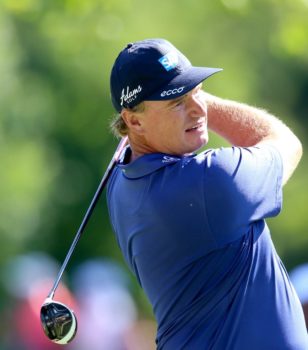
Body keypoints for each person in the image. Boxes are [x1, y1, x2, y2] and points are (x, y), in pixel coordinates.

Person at [106, 38, 308, 349]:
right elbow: (285, 143)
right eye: (177, 102)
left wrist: (185, 100)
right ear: (133, 119)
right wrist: (208, 105)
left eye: (197, 91)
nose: (198, 109)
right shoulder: (207, 183)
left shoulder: (120, 185)